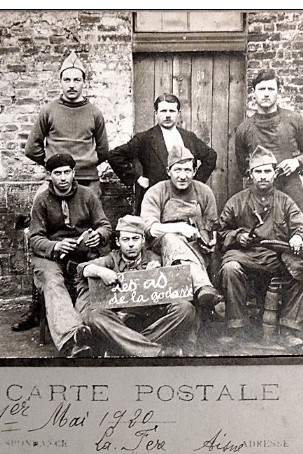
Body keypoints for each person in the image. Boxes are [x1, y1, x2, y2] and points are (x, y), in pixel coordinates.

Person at [13, 50, 109, 332]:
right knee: (39, 236)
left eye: (76, 80)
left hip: (88, 182)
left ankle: (95, 304)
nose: (71, 84)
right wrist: (56, 168)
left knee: (96, 236)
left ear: (83, 83)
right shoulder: (49, 111)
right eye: (66, 79)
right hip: (53, 184)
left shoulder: (94, 113)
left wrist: (79, 170)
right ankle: (36, 307)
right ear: (60, 82)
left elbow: (103, 150)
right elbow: (31, 147)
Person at [234, 69, 303, 334]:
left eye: (271, 89)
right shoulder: (244, 128)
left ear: (278, 92)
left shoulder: (294, 120)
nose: (266, 94)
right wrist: (262, 176)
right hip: (259, 194)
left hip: (291, 189)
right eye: (261, 89)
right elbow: (242, 165)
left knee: (299, 243)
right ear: (254, 94)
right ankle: (262, 307)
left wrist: (296, 161)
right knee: (262, 245)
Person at [217, 146, 303, 348]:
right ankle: (238, 329)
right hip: (247, 256)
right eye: (258, 172)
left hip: (277, 257)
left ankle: (289, 329)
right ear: (250, 175)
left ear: (274, 174)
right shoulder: (236, 202)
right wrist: (238, 236)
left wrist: (298, 236)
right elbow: (221, 233)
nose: (263, 176)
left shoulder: (285, 202)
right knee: (230, 268)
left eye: (267, 171)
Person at [28, 152, 112, 357]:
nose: (63, 178)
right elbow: (35, 239)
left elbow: (105, 225)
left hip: (82, 255)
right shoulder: (42, 200)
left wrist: (98, 236)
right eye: (58, 173)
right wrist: (55, 246)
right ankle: (71, 335)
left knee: (90, 280)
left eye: (67, 172)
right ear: (50, 176)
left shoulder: (87, 195)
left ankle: (88, 331)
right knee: (53, 281)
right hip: (51, 258)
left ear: (74, 173)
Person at [79, 216, 197, 357]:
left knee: (186, 308)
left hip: (149, 320)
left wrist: (158, 273)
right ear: (117, 242)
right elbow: (81, 268)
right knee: (94, 316)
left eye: (135, 239)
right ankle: (157, 352)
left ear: (143, 241)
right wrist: (100, 271)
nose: (130, 244)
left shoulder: (154, 258)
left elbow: (173, 288)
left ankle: (123, 348)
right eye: (126, 239)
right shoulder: (112, 259)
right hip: (120, 322)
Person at [140, 144, 223, 313]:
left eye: (187, 170)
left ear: (194, 172)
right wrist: (179, 228)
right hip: (162, 247)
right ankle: (202, 287)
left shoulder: (204, 192)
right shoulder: (156, 192)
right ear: (168, 171)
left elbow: (213, 225)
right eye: (177, 170)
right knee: (172, 239)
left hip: (197, 247)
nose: (183, 176)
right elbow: (150, 228)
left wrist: (212, 240)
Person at [108, 93, 217, 214]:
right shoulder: (145, 138)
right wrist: (137, 178)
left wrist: (195, 182)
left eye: (172, 111)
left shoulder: (188, 137)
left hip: (186, 200)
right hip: (157, 200)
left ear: (178, 113)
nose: (168, 115)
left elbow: (210, 156)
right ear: (156, 113)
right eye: (163, 111)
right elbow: (115, 155)